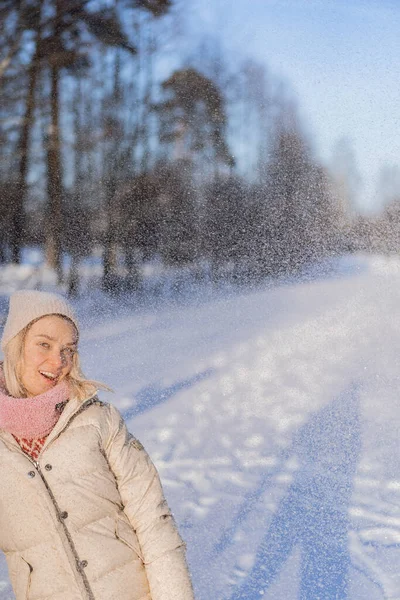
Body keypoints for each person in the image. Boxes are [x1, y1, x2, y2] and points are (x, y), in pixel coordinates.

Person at [0, 290, 195, 600]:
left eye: (69, 349)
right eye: (44, 344)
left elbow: (152, 520)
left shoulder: (99, 420)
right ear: (15, 344)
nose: (57, 360)